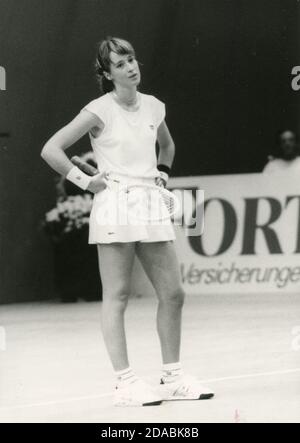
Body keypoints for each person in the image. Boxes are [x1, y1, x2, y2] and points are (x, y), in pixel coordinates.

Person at [41, 36, 214, 407]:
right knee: (116, 296)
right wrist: (86, 182)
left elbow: (166, 147)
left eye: (131, 59)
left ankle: (172, 377)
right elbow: (51, 149)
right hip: (115, 204)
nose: (130, 67)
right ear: (107, 73)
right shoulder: (97, 110)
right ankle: (124, 382)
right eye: (119, 64)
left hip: (151, 202)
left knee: (173, 293)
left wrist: (163, 176)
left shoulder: (154, 107)